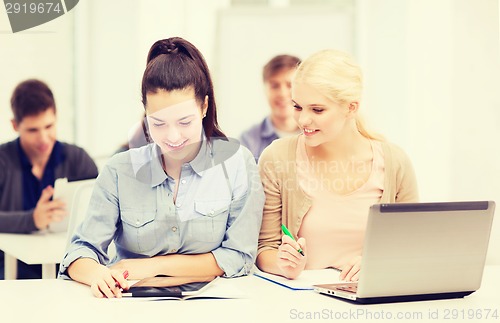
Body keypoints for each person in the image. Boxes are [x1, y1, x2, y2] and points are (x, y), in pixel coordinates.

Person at [59, 37, 265, 298]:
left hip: (214, 305)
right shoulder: (120, 170)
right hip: (130, 304)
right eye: (158, 123)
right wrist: (98, 273)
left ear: (204, 106)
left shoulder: (237, 164)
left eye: (184, 122)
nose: (173, 136)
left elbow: (238, 257)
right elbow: (79, 252)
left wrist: (148, 267)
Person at [256, 50, 419, 282]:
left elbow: (412, 246)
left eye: (317, 109)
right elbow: (265, 249)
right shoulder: (277, 158)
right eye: (297, 107)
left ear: (351, 108)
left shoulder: (395, 162)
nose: (303, 120)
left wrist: (379, 262)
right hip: (302, 303)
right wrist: (284, 265)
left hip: (373, 302)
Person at [0, 79, 98, 279]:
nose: (44, 138)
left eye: (49, 126)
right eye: (33, 130)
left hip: (68, 265)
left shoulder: (78, 159)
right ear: (14, 125)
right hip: (10, 268)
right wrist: (32, 220)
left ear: (56, 117)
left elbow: (103, 214)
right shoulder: (3, 160)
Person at [240, 54, 301, 161]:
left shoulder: (318, 135)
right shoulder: (248, 141)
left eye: (289, 85)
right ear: (265, 89)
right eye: (275, 86)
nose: (282, 93)